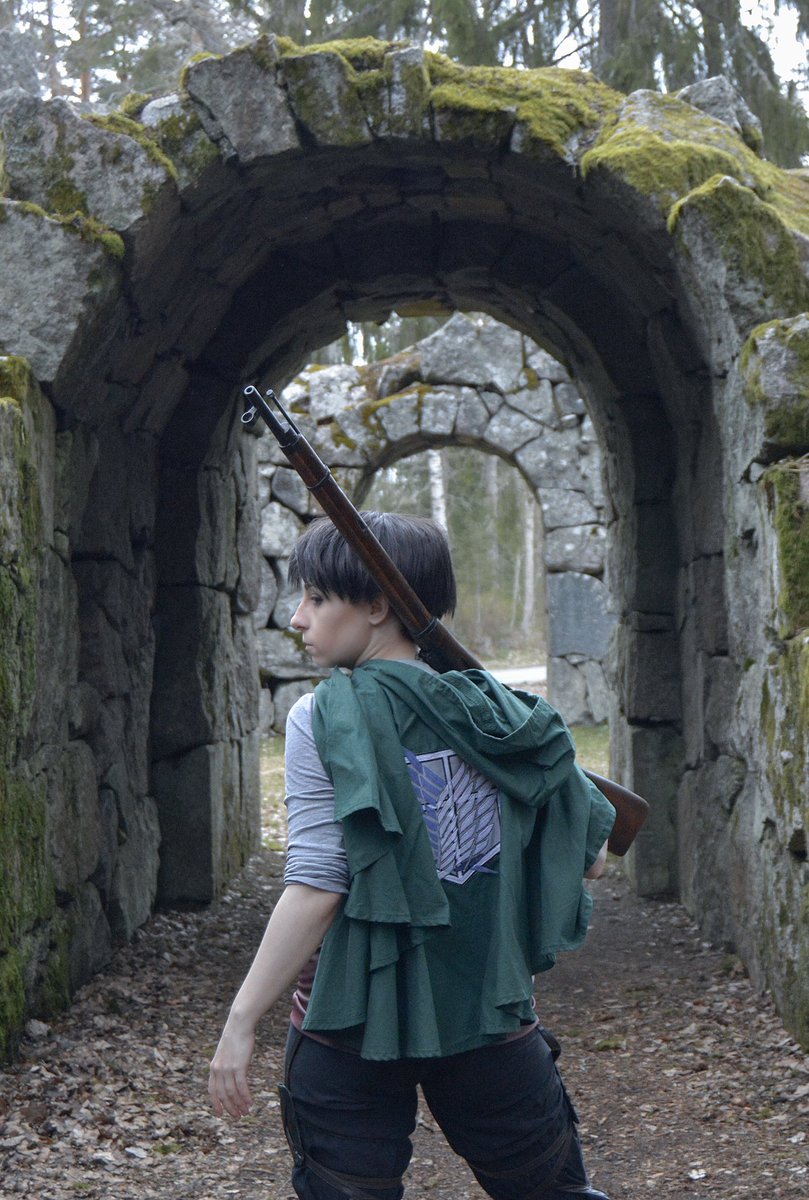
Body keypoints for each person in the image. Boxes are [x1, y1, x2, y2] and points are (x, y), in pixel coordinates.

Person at [209, 511, 615, 1200]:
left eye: (316, 598)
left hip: (347, 1023)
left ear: (376, 606)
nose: (298, 618)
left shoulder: (319, 717)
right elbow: (592, 858)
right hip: (489, 1015)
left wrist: (241, 1019)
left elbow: (319, 884)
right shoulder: (505, 714)